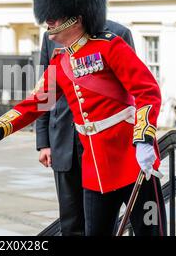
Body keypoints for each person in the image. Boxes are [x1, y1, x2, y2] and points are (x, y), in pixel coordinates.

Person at [0, 0, 167, 236]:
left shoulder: (111, 46)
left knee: (151, 233)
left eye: (55, 15)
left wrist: (145, 139)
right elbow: (35, 104)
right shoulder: (61, 62)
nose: (49, 21)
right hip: (95, 172)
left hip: (133, 162)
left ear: (76, 14)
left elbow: (147, 90)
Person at [36, 21, 135, 236]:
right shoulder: (50, 37)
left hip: (103, 143)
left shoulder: (117, 34)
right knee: (70, 220)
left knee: (100, 220)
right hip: (63, 139)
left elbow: (130, 91)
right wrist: (43, 141)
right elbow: (45, 92)